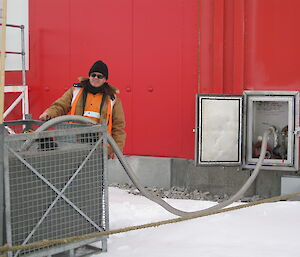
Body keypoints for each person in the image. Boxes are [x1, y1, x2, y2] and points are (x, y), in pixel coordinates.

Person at [39, 60, 126, 159]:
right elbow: (60, 106)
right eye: (93, 75)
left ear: (105, 79)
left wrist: (116, 148)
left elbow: (118, 126)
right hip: (76, 142)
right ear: (89, 76)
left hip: (100, 146)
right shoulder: (76, 91)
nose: (96, 78)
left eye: (100, 76)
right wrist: (48, 113)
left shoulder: (112, 98)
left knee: (96, 173)